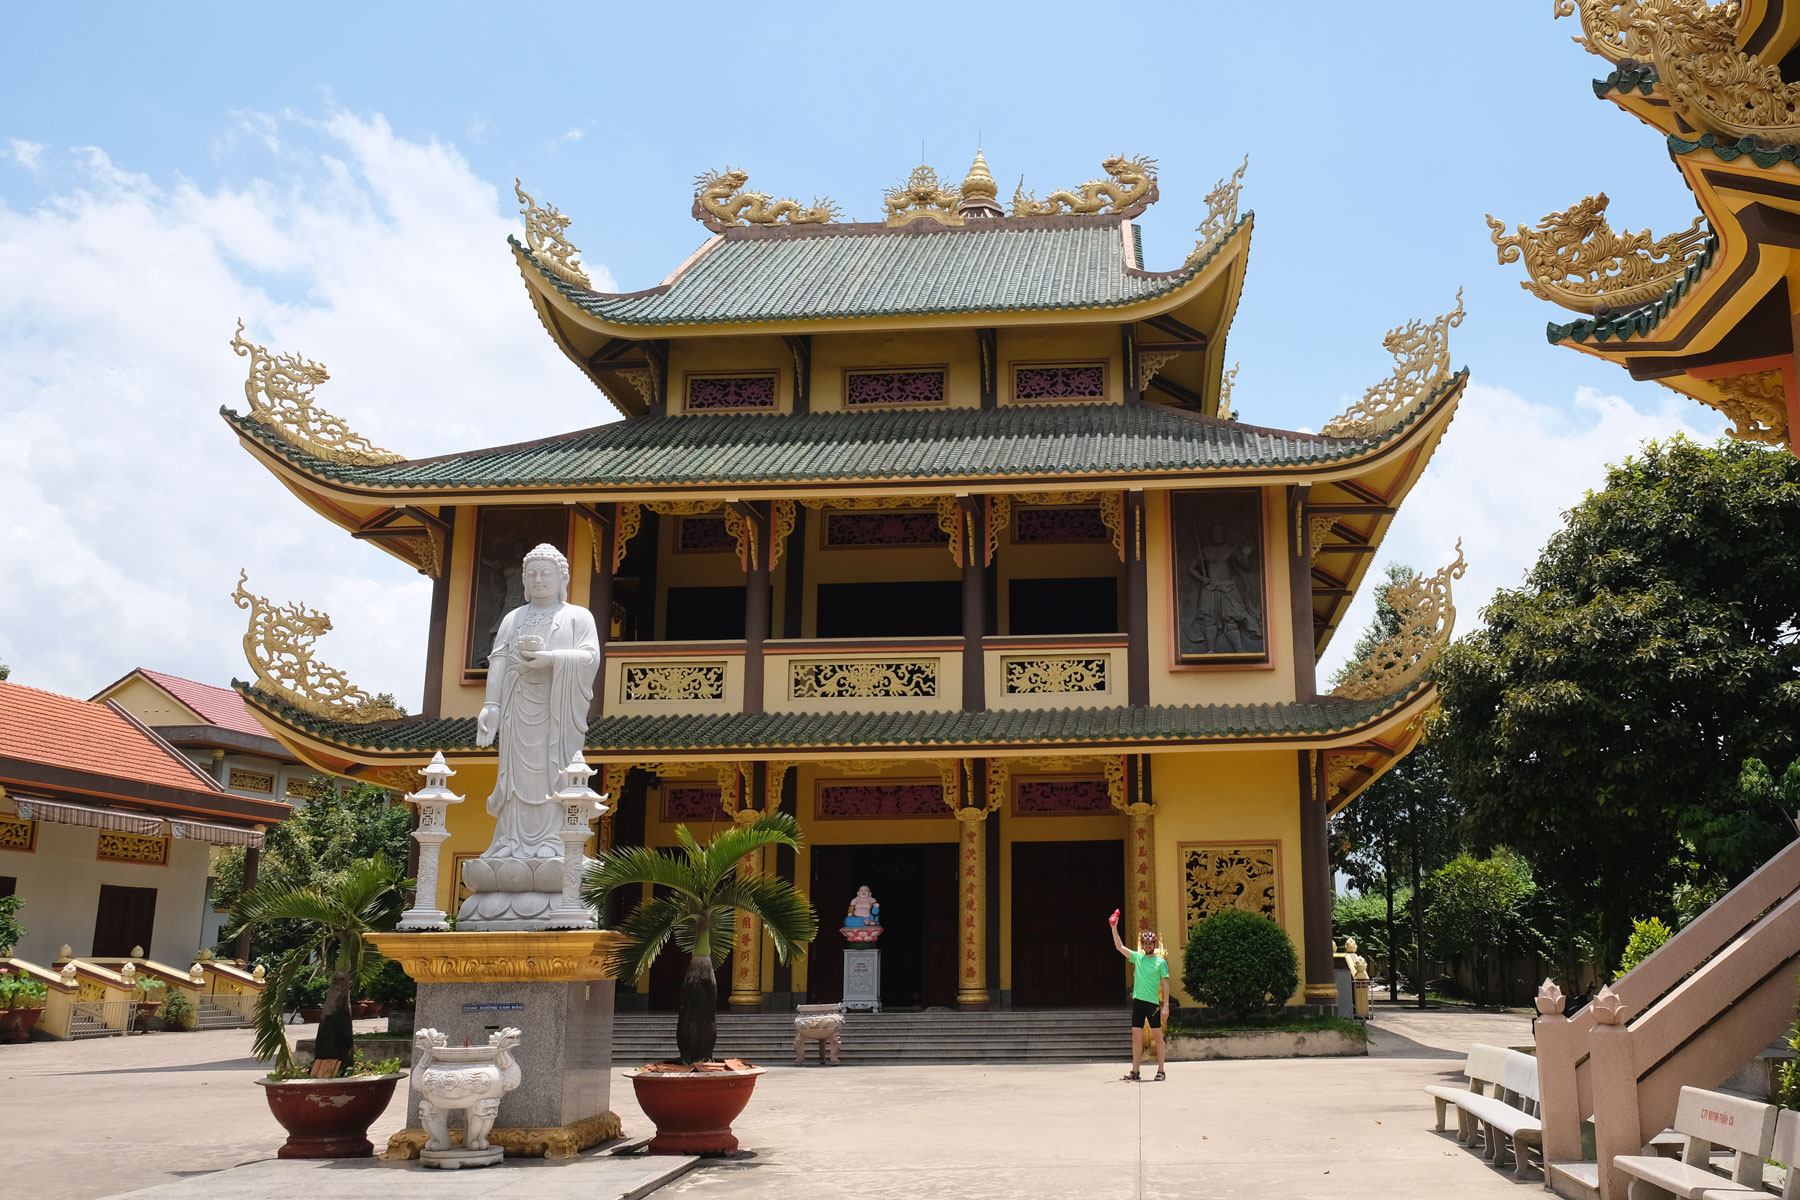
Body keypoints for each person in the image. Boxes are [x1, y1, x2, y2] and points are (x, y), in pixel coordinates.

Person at [1109, 912, 1169, 1081]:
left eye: (1150, 943)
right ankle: (1135, 1071)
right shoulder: (1138, 958)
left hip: (1153, 1004)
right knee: (1136, 1037)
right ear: (1143, 945)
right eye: (1145, 943)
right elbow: (1119, 947)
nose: (1148, 945)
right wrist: (1114, 927)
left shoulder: (1160, 962)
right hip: (1139, 1003)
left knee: (1157, 1037)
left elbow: (1165, 984)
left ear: (1154, 944)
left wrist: (1166, 1006)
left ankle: (1161, 1070)